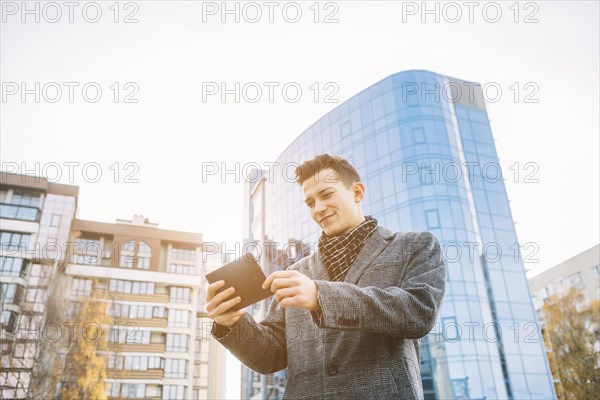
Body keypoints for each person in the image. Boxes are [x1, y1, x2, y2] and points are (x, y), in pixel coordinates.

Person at [206, 153, 446, 399]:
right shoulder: (296, 272)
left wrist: (321, 296)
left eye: (327, 194)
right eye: (310, 202)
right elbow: (271, 357)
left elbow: (419, 312)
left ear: (357, 192)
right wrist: (233, 322)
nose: (318, 208)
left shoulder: (415, 246)